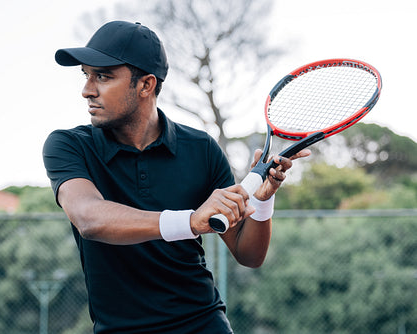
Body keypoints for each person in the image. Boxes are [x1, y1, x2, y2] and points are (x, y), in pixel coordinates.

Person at [43, 20, 310, 334]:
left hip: (203, 323)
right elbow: (90, 219)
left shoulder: (201, 149)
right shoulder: (68, 146)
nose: (87, 90)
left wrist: (263, 203)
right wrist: (191, 220)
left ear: (146, 85)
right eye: (86, 75)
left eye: (103, 76)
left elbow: (249, 254)